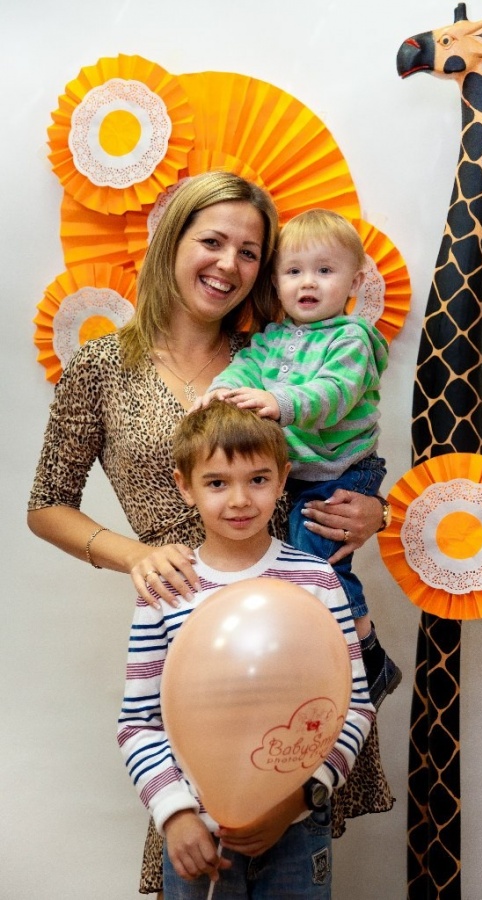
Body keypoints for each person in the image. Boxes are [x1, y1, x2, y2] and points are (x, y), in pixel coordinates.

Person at [27, 172, 393, 895]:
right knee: (197, 837)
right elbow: (46, 504)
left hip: (293, 640)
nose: (229, 264)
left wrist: (376, 512)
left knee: (289, 835)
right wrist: (138, 556)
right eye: (213, 241)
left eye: (250, 252)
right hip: (188, 634)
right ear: (172, 240)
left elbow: (345, 432)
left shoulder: (279, 351)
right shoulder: (102, 366)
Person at [118, 401, 375, 898]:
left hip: (297, 831)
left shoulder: (317, 581)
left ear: (282, 481)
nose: (239, 500)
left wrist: (297, 801)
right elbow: (138, 723)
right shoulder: (167, 589)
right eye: (217, 483)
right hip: (197, 837)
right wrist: (175, 815)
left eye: (258, 480)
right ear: (185, 487)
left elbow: (355, 708)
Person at [198, 209, 401, 709]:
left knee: (317, 563)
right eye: (293, 271)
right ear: (276, 281)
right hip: (301, 472)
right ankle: (327, 661)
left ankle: (367, 655)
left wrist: (280, 401)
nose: (307, 282)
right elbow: (244, 367)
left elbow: (334, 392)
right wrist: (221, 390)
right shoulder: (271, 339)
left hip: (340, 469)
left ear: (354, 282)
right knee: (291, 567)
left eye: (324, 270)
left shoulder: (351, 338)